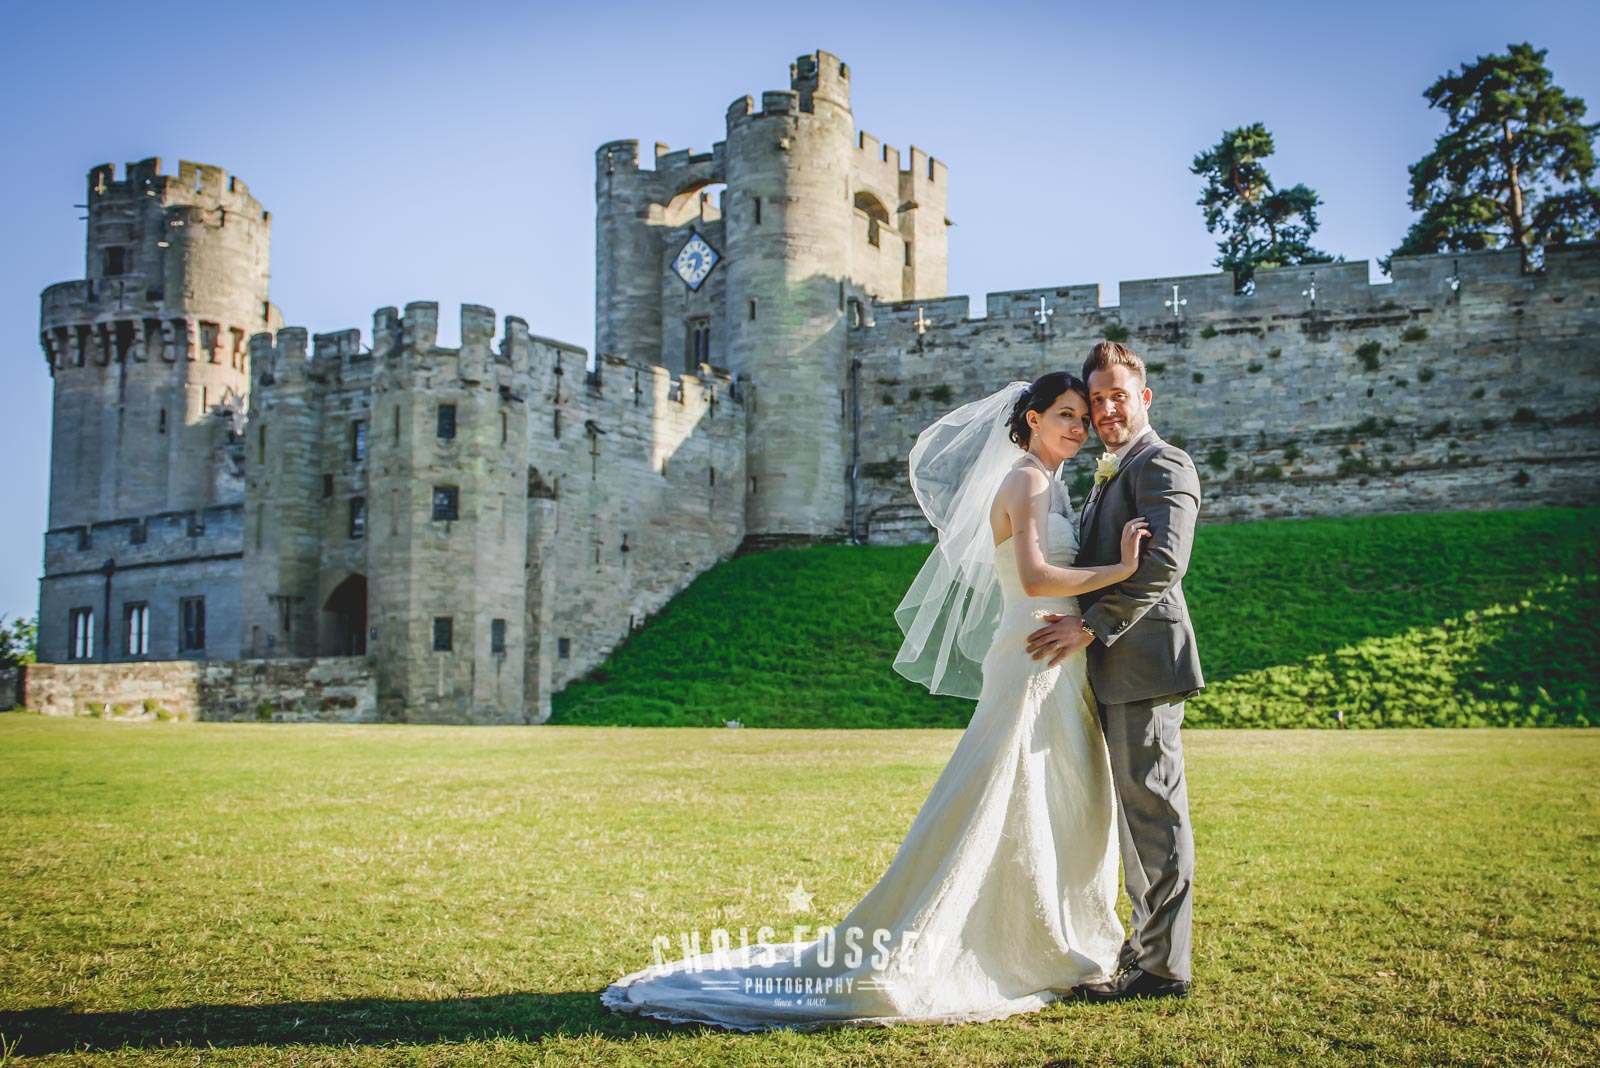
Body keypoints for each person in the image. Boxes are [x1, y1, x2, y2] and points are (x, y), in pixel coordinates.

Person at [601, 371, 1150, 1031]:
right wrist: (1122, 570)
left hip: (1056, 656)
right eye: (1063, 414)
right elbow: (1034, 575)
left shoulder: (1053, 485)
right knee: (1011, 790)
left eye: (1081, 420)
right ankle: (1014, 943)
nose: (1076, 427)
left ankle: (1046, 936)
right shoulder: (1027, 480)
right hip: (1032, 655)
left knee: (1052, 793)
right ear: (1030, 419)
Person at [1025, 340, 1203, 1002]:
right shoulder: (1110, 470)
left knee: (1154, 814)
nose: (1104, 410)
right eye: (1096, 399)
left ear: (1144, 398)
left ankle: (1162, 969)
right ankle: (1145, 950)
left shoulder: (1163, 463)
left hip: (1143, 665)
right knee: (1133, 819)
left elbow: (1164, 564)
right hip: (1110, 670)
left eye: (1116, 396)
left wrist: (1092, 625)